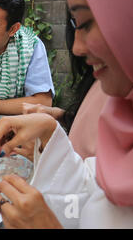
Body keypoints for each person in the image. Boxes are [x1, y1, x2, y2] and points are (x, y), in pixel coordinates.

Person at [0, 0, 133, 228]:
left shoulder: (30, 47)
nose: (76, 48)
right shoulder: (129, 111)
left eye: (86, 22)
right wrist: (50, 134)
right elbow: (96, 191)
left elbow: (39, 100)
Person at [21, 11, 108, 159]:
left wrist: (48, 155)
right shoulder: (100, 78)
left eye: (87, 25)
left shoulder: (30, 45)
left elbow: (92, 172)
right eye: (76, 24)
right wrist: (58, 115)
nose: (77, 48)